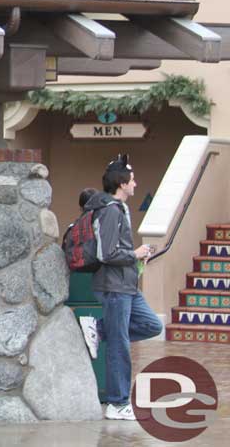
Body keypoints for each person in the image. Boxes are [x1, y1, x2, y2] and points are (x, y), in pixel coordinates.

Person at [77, 155, 163, 421]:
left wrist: (137, 254)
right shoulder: (110, 210)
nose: (136, 183)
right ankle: (117, 403)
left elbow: (117, 250)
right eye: (132, 179)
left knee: (152, 325)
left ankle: (97, 328)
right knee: (119, 345)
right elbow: (106, 253)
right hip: (114, 286)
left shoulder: (118, 209)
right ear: (122, 183)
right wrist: (134, 253)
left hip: (127, 286)